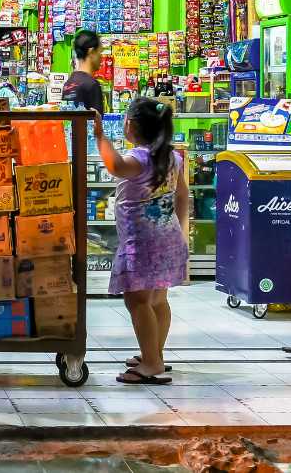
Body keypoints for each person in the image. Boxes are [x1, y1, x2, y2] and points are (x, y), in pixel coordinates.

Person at [94, 97, 189, 386]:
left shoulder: (138, 159)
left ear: (131, 125)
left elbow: (114, 165)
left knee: (137, 301)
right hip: (168, 237)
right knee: (158, 300)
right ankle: (154, 353)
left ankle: (151, 363)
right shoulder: (172, 157)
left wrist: (99, 135)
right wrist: (182, 232)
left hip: (143, 242)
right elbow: (183, 196)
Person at [63, 30, 105, 113]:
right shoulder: (91, 85)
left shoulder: (68, 83)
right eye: (100, 53)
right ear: (91, 52)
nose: (101, 58)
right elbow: (96, 123)